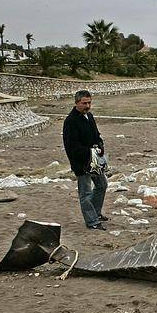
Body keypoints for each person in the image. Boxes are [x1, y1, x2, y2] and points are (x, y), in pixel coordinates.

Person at [63, 90, 108, 231]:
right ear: (77, 103)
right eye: (84, 103)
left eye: (89, 103)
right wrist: (89, 152)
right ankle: (92, 221)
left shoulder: (89, 116)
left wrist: (100, 145)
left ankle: (95, 213)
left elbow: (96, 135)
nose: (87, 106)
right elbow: (71, 146)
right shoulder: (70, 121)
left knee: (102, 185)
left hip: (94, 161)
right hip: (81, 163)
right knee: (86, 193)